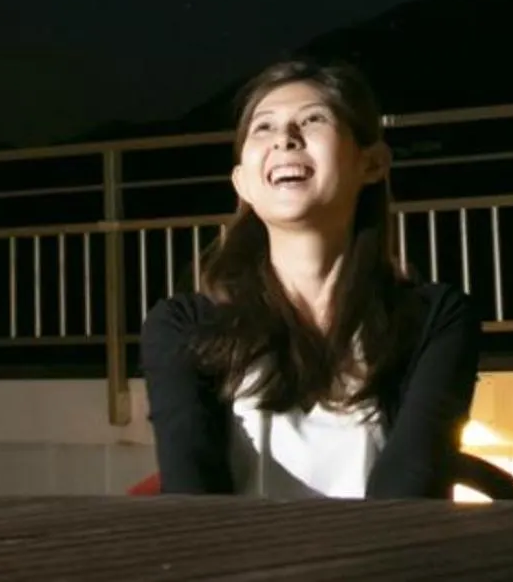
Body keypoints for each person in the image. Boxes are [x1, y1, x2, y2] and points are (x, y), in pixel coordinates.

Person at [141, 57, 482, 497]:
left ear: (373, 163)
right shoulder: (182, 327)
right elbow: (192, 497)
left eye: (314, 118)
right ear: (242, 182)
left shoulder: (435, 319)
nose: (284, 138)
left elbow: (413, 494)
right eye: (263, 127)